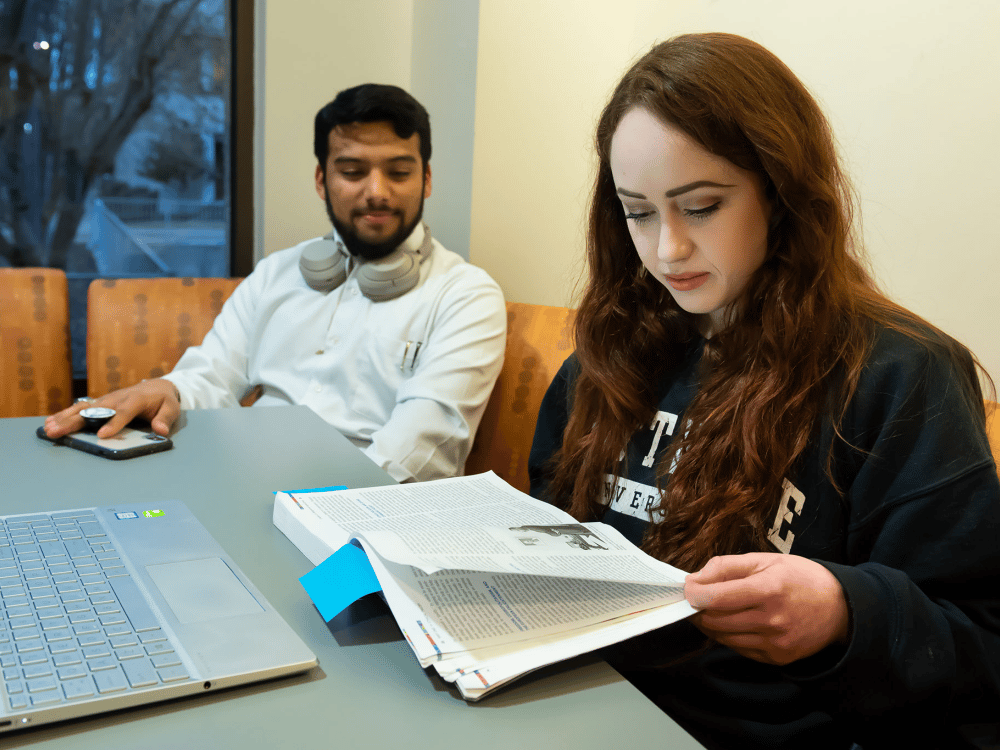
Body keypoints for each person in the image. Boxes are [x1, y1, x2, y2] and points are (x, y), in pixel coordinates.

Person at [528, 33, 1000, 749]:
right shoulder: (612, 354)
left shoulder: (901, 376)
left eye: (703, 206)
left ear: (781, 192)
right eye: (639, 211)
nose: (667, 250)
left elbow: (982, 645)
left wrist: (846, 613)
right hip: (582, 712)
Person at [46, 84, 507, 483]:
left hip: (372, 522)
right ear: (321, 181)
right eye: (351, 171)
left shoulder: (466, 297)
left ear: (426, 180)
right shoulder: (276, 273)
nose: (377, 191)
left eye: (399, 172)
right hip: (245, 488)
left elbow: (421, 453)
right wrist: (170, 390)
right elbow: (213, 375)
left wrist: (311, 514)